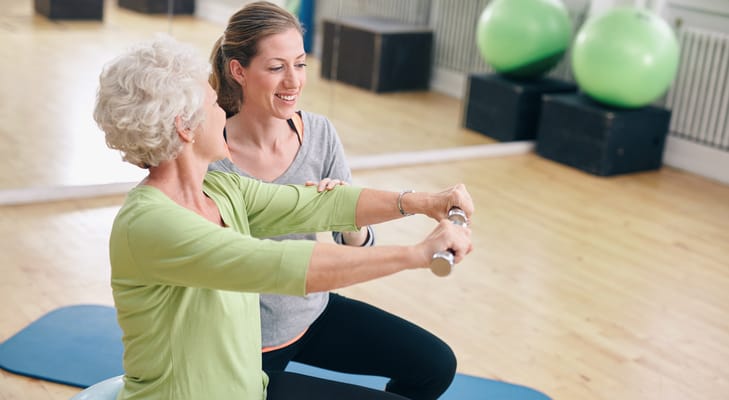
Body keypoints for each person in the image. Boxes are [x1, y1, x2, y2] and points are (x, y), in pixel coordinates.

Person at [93, 35, 473, 400]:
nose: (224, 109)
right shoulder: (150, 224)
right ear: (184, 125)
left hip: (252, 391)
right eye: (213, 103)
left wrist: (427, 202)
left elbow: (318, 204)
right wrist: (418, 254)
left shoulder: (221, 190)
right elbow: (280, 264)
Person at [208, 3, 458, 399]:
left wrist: (343, 212)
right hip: (242, 341)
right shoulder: (211, 156)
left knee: (435, 366)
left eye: (300, 64)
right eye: (276, 67)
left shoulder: (320, 133)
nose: (293, 81)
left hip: (311, 314)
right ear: (239, 71)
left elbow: (353, 241)